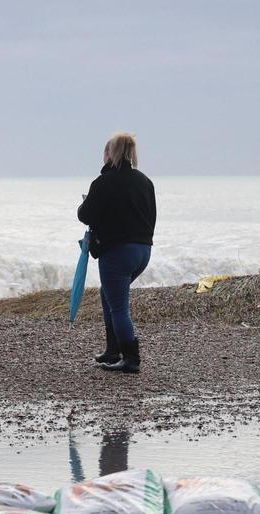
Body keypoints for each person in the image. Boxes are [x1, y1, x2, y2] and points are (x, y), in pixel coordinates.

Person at [76, 131, 156, 374]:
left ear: (109, 154)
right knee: (108, 295)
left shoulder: (103, 183)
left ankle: (130, 358)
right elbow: (152, 215)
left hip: (117, 253)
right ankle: (113, 349)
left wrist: (84, 203)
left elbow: (85, 215)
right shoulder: (145, 181)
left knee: (119, 307)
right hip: (142, 251)